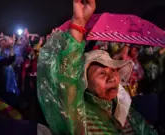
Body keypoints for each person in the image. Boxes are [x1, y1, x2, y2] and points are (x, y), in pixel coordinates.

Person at [37, 0, 157, 134]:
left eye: (114, 70)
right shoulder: (77, 115)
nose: (112, 78)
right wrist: (78, 23)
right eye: (102, 74)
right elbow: (67, 78)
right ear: (84, 83)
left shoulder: (125, 110)